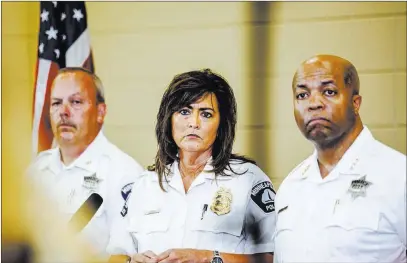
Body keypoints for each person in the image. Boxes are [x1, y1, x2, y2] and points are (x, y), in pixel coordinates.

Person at [107, 69, 276, 263]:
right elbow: (115, 256)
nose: (193, 123)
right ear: (168, 119)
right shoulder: (144, 185)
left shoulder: (248, 179)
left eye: (206, 114)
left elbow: (273, 258)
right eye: (184, 112)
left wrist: (208, 258)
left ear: (221, 125)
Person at [273, 54, 406, 262]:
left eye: (328, 91)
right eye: (302, 95)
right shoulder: (290, 188)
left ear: (355, 103)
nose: (313, 103)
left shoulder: (398, 176)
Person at [28, 67, 144, 258]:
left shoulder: (123, 173)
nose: (64, 112)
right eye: (56, 103)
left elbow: (124, 256)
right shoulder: (37, 169)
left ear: (100, 112)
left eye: (75, 102)